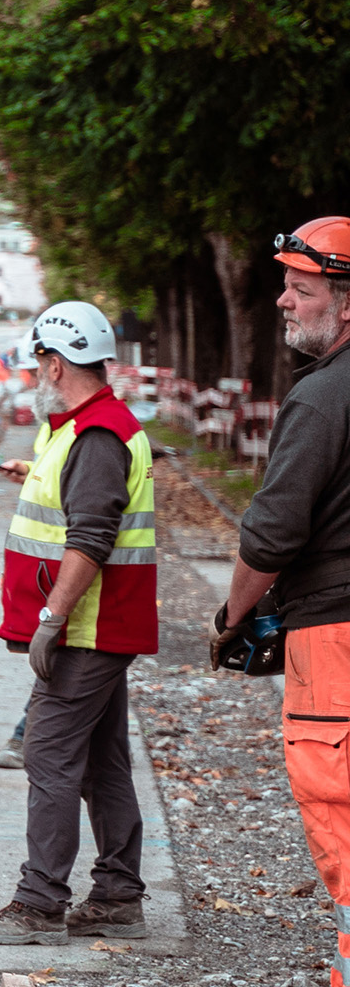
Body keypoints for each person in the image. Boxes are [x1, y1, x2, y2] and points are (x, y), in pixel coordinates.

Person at [0, 300, 158, 947]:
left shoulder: (97, 436)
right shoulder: (84, 428)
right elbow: (80, 497)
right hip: (99, 627)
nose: (36, 374)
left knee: (47, 754)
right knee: (102, 762)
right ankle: (118, 897)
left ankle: (40, 905)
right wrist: (34, 472)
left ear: (54, 361)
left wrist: (52, 618)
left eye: (40, 362)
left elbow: (92, 537)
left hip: (86, 630)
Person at [216, 216, 350, 987]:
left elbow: (268, 539)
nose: (282, 302)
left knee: (338, 810)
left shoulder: (323, 398)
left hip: (332, 641)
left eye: (300, 290)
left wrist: (234, 619)